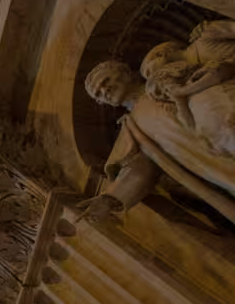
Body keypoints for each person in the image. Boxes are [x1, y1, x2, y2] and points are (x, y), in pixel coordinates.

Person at [84, 52, 235, 224]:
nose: (105, 90)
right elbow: (139, 168)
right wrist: (112, 198)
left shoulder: (161, 77)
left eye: (106, 81)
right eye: (98, 93)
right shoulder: (133, 128)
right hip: (214, 163)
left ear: (126, 73)